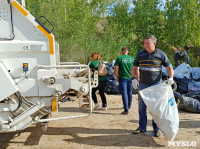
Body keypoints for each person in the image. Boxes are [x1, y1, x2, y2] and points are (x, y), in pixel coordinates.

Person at [131, 35, 174, 137]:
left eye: (148, 43)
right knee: (141, 107)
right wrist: (133, 79)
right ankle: (142, 127)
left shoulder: (161, 54)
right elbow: (134, 67)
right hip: (143, 84)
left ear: (154, 43)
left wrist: (171, 78)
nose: (145, 45)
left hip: (156, 84)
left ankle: (156, 129)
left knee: (156, 107)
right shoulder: (140, 54)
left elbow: (169, 67)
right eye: (145, 43)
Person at [114, 47, 135, 114]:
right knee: (130, 92)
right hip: (130, 78)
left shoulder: (119, 59)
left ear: (122, 52)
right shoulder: (132, 59)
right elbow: (135, 68)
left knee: (124, 93)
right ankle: (129, 105)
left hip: (123, 78)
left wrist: (117, 77)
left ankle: (126, 109)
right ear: (127, 51)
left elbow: (116, 69)